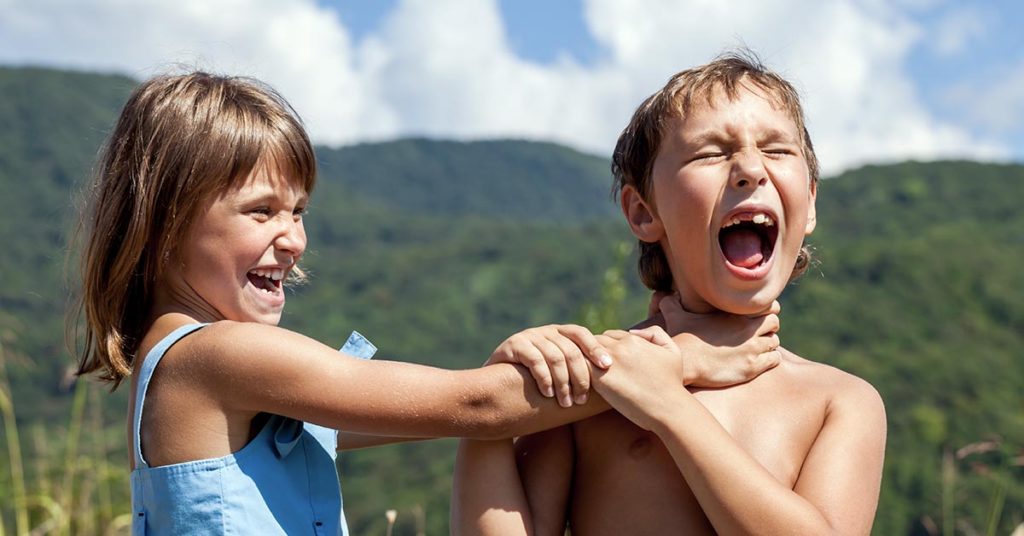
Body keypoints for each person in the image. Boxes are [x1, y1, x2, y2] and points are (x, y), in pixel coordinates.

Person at [70, 71, 781, 535]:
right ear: (164, 221)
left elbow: (448, 409)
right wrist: (681, 358)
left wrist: (501, 375)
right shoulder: (219, 356)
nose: (293, 239)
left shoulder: (206, 382)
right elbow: (474, 407)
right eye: (262, 212)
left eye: (298, 211)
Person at [452, 51, 887, 535]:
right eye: (710, 153)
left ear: (808, 204)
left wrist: (670, 408)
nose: (750, 169)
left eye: (777, 150)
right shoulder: (587, 385)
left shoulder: (838, 401)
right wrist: (491, 417)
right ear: (642, 212)